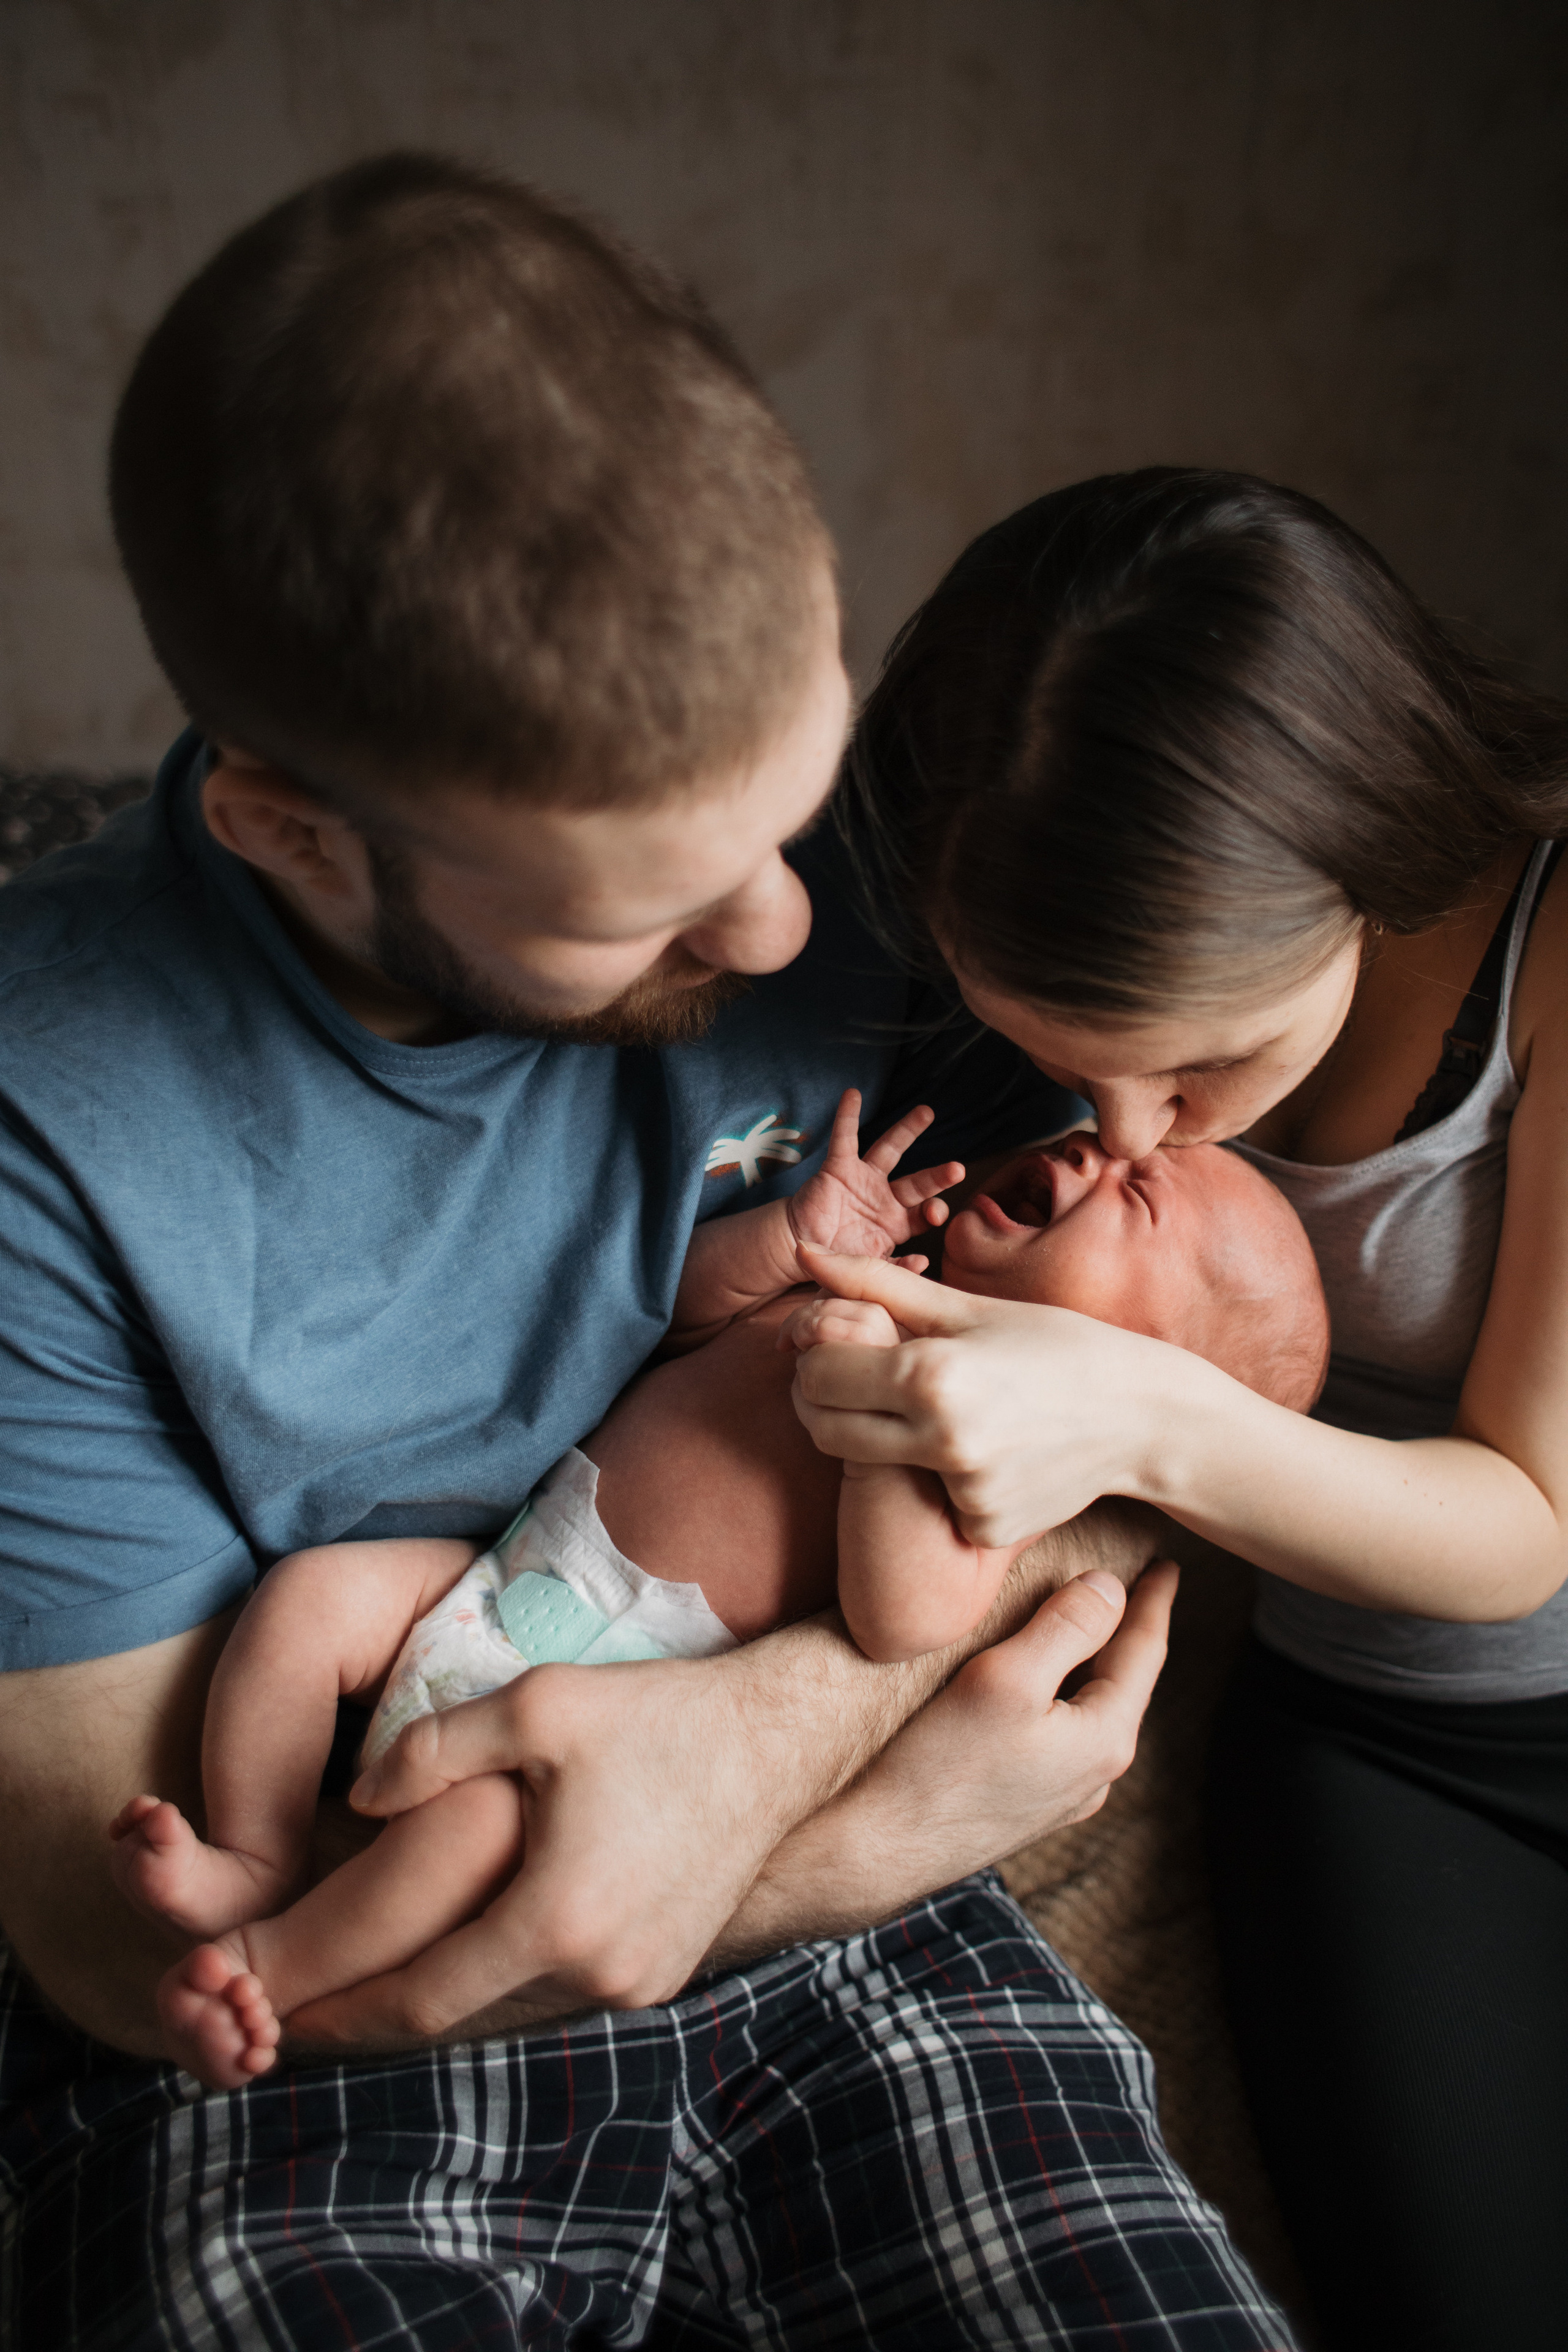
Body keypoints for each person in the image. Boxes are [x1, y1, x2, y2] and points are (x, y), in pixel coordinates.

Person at [0, 164, 1296, 2349]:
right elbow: (117, 1943)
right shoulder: (47, 1130)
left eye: (786, 813)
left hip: (890, 1988)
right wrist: (815, 1833)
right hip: (334, 2036)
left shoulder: (892, 857)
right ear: (293, 830)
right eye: (645, 912)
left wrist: (766, 1746)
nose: (792, 935)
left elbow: (1161, 1410)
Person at [785, 467, 1568, 2352]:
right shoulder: (1014, 874)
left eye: (1203, 1059)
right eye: (1067, 1064)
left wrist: (1137, 1421)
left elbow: (1528, 1523)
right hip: (1395, 1750)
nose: (1121, 1131)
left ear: (1362, 841)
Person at [109, 1101, 1328, 2090]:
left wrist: (874, 1435)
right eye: (1105, 1147)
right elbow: (674, 1326)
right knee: (311, 1604)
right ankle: (256, 1849)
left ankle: (270, 1967)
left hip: (613, 1701)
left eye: (1139, 1197)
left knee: (473, 1833)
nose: (1090, 1150)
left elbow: (903, 1620)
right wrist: (791, 1246)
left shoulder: (994, 1469)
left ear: (1135, 1384)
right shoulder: (877, 1274)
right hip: (506, 1573)